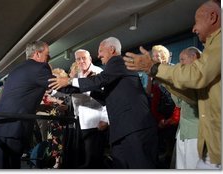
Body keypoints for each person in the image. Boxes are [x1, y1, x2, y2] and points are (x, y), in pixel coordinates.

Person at [123, 0, 221, 169]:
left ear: (213, 17)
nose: (193, 29)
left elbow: (197, 76)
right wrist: (157, 75)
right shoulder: (212, 47)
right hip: (210, 143)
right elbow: (192, 98)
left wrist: (154, 68)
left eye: (196, 21)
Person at [49, 37, 158, 169]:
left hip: (134, 128)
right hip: (122, 130)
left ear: (111, 50)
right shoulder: (112, 71)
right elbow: (103, 94)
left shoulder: (118, 61)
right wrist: (57, 85)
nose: (98, 55)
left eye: (101, 51)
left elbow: (100, 80)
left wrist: (69, 81)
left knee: (141, 166)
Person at [0, 41, 54, 169]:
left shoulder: (17, 69)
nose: (48, 58)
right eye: (47, 55)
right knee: (11, 167)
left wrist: (39, 107)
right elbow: (57, 84)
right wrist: (81, 84)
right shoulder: (40, 67)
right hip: (14, 127)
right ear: (37, 54)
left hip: (0, 125)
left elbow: (18, 98)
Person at [70, 49, 109, 169]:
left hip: (96, 123)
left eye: (84, 58)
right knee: (82, 158)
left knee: (93, 160)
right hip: (80, 122)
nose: (81, 61)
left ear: (90, 59)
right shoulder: (77, 75)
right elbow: (76, 97)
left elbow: (108, 97)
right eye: (78, 59)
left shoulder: (99, 72)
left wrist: (106, 119)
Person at [147, 45, 180, 169]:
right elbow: (149, 93)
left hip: (173, 112)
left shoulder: (173, 69)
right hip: (157, 114)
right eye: (154, 56)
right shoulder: (153, 72)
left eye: (158, 55)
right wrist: (150, 78)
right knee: (160, 145)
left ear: (165, 56)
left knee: (172, 145)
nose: (155, 58)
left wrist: (171, 118)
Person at [172, 47, 201, 169]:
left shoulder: (202, 78)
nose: (180, 64)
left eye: (182, 60)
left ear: (194, 57)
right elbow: (179, 103)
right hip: (182, 132)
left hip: (195, 133)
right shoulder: (186, 80)